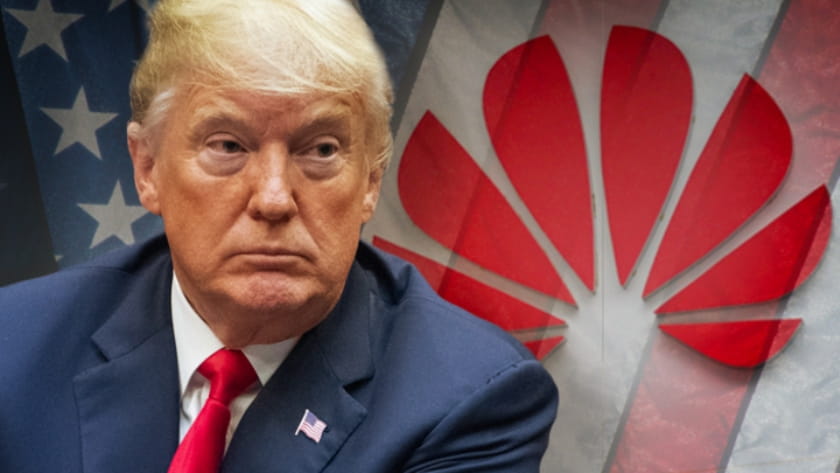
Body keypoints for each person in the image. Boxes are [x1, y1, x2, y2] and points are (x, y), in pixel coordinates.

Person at [0, 0, 558, 471]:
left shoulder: (472, 399)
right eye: (227, 145)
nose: (273, 199)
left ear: (370, 180)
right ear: (148, 169)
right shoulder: (15, 348)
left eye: (321, 150)